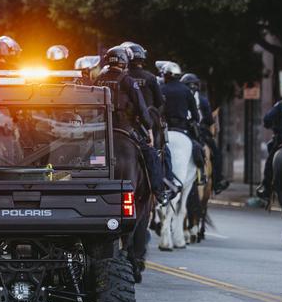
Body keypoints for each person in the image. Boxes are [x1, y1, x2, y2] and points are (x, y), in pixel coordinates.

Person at [94, 46, 170, 205]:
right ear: (124, 61)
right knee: (150, 155)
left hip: (100, 131)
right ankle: (159, 191)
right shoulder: (127, 80)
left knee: (89, 156)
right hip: (125, 128)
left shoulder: (98, 79)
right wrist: (148, 128)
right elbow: (142, 107)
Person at [181, 73, 229, 193]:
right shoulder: (202, 100)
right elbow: (208, 119)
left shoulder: (181, 98)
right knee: (216, 155)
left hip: (181, 129)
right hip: (199, 132)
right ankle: (217, 182)